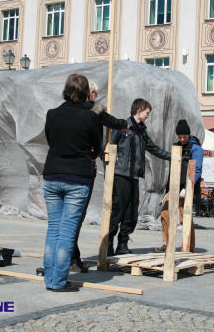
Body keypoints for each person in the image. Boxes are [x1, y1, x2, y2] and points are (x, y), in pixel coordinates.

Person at [41, 74, 101, 292]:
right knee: (66, 232)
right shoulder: (90, 117)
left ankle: (50, 277)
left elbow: (50, 140)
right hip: (77, 177)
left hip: (53, 174)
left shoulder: (52, 114)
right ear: (86, 93)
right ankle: (57, 281)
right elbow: (97, 145)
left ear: (66, 90)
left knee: (53, 230)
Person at [69, 82, 129, 273]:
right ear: (91, 93)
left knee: (62, 221)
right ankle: (70, 259)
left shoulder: (63, 111)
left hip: (59, 171)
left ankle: (67, 258)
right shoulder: (93, 111)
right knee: (75, 219)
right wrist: (126, 125)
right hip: (81, 171)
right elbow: (113, 122)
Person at [108, 98, 171, 256]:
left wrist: (172, 156)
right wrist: (110, 172)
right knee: (117, 210)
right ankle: (108, 243)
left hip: (134, 177)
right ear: (139, 111)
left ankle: (122, 243)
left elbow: (153, 148)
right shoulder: (122, 127)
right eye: (147, 113)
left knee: (131, 212)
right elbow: (109, 149)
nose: (149, 116)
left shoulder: (141, 131)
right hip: (120, 175)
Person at [156, 119, 203, 253]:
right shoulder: (175, 146)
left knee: (185, 216)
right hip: (173, 185)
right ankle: (166, 243)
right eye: (180, 137)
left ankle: (189, 247)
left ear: (189, 135)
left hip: (187, 186)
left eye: (185, 137)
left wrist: (188, 187)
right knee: (165, 213)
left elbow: (197, 170)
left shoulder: (196, 148)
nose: (182, 139)